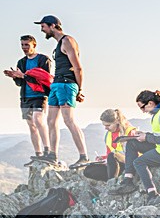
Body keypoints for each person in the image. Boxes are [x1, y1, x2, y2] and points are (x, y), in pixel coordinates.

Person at [109, 90, 160, 206]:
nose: (143, 111)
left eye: (143, 107)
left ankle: (153, 194)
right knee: (132, 143)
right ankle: (127, 181)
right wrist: (144, 135)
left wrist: (147, 137)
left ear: (151, 103)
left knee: (139, 162)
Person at [35, 15, 89, 168]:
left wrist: (79, 89)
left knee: (69, 120)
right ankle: (53, 155)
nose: (42, 29)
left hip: (66, 84)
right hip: (56, 85)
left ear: (52, 26)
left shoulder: (67, 41)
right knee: (51, 121)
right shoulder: (59, 43)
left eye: (43, 26)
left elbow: (78, 67)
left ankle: (83, 156)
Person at [3, 35, 51, 162]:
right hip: (25, 97)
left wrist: (22, 75)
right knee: (31, 125)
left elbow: (45, 79)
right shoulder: (21, 62)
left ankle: (47, 150)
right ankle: (38, 154)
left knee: (38, 120)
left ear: (34, 45)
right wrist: (15, 77)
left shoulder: (43, 60)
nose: (24, 48)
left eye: (26, 45)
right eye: (22, 45)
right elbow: (20, 83)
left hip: (40, 95)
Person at [83, 109, 136, 182]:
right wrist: (103, 158)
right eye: (104, 125)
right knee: (88, 170)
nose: (105, 128)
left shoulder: (129, 131)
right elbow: (109, 154)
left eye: (108, 125)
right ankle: (113, 178)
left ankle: (112, 182)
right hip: (115, 165)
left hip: (129, 164)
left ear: (117, 121)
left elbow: (135, 154)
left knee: (112, 156)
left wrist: (111, 157)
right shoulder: (108, 135)